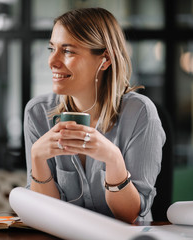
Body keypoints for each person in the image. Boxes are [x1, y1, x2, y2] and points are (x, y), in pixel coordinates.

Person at [23, 7, 166, 223]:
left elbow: (130, 215)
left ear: (104, 60)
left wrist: (113, 159)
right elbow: (45, 215)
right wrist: (37, 158)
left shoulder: (140, 113)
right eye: (51, 48)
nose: (52, 61)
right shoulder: (37, 113)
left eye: (68, 51)